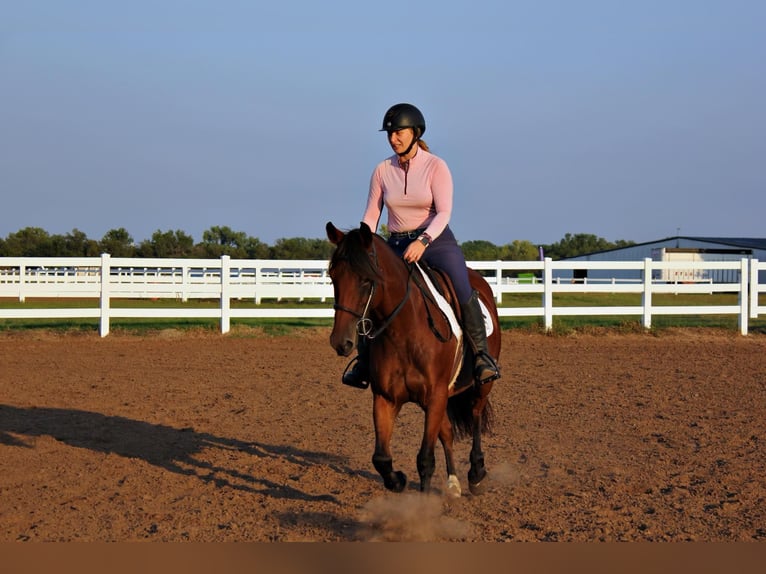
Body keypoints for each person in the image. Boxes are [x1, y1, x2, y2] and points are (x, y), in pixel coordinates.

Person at [342, 102, 500, 389]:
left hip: (436, 240)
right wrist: (360, 243)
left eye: (399, 132)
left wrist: (424, 241)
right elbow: (371, 215)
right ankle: (364, 361)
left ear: (415, 132)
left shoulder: (435, 166)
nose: (393, 138)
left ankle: (481, 356)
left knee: (462, 284)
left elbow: (444, 212)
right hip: (396, 243)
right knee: (371, 291)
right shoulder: (381, 170)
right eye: (389, 133)